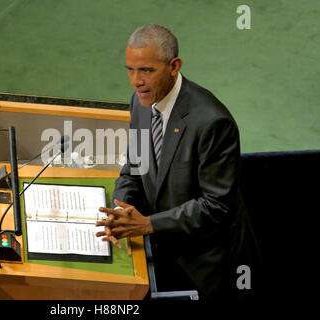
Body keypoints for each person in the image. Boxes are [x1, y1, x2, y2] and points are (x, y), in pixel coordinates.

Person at [96, 24, 259, 301]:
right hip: (160, 248)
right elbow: (134, 167)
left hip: (208, 267)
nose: (136, 81)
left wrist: (148, 224)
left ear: (174, 66)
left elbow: (216, 206)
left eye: (146, 70)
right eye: (130, 70)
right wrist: (120, 210)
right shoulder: (140, 103)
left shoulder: (212, 122)